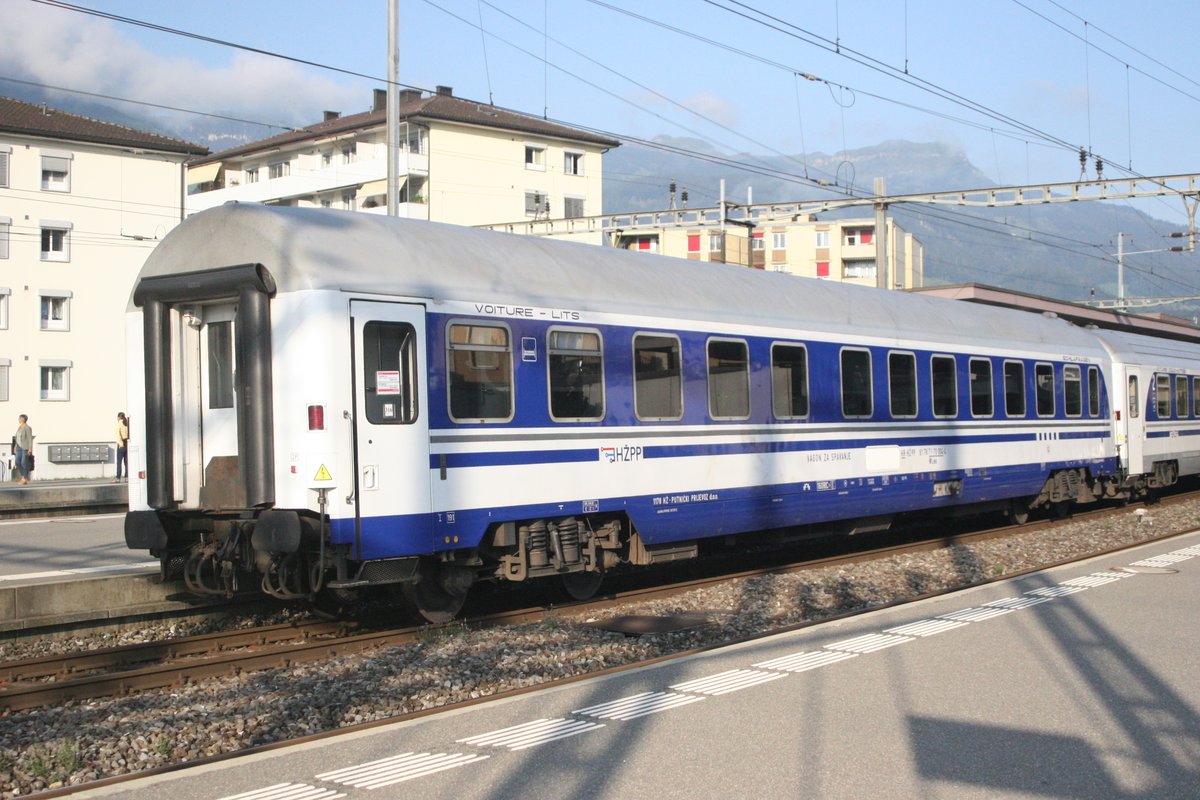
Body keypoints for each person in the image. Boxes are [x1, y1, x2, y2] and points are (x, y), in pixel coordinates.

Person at [13, 414, 33, 485]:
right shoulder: (19, 427)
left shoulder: (27, 428)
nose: (18, 420)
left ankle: (24, 478)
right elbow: (17, 438)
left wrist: (30, 449)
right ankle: (24, 476)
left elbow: (30, 439)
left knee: (23, 463)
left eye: (19, 419)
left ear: (23, 419)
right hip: (18, 447)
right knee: (17, 462)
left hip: (25, 448)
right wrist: (15, 446)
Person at [114, 412, 129, 483]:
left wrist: (120, 444)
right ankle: (127, 477)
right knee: (126, 462)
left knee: (119, 462)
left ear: (119, 417)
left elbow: (118, 435)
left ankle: (118, 478)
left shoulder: (119, 423)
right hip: (127, 443)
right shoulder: (127, 423)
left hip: (121, 444)